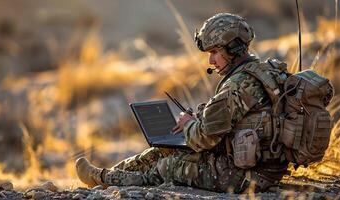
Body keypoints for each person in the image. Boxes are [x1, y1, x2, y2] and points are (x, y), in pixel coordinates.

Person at [75, 13, 290, 193]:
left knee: (167, 166)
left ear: (233, 48)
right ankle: (104, 177)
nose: (211, 61)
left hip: (246, 176)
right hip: (260, 168)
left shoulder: (238, 84)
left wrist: (188, 124)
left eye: (215, 52)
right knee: (163, 151)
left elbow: (204, 140)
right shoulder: (258, 72)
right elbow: (237, 121)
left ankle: (109, 182)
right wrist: (197, 119)